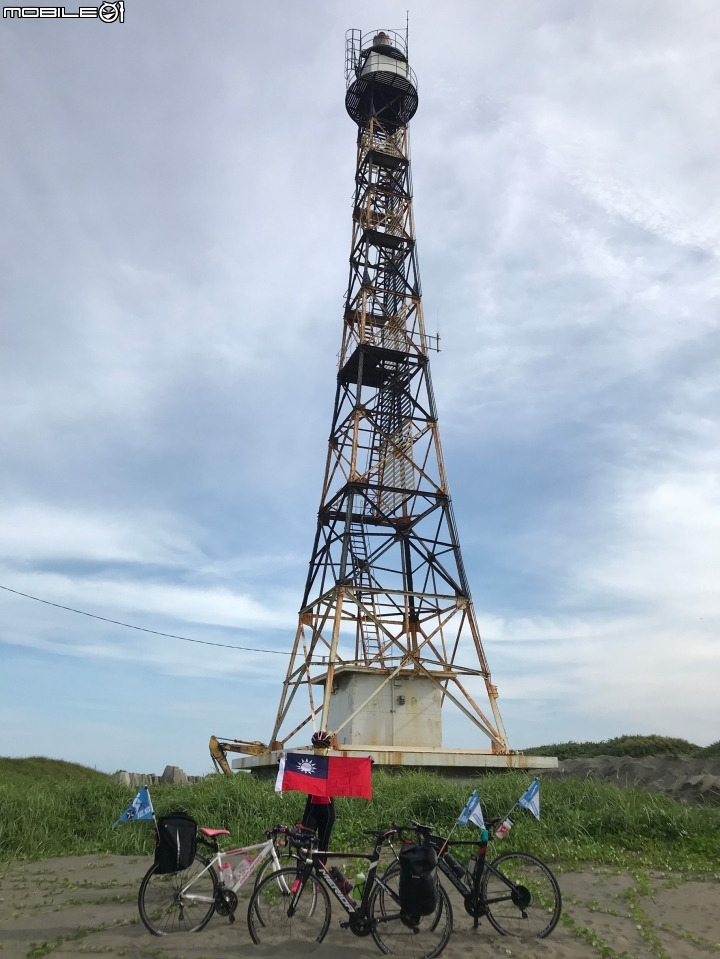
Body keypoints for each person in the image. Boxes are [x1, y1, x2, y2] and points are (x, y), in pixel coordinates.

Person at [301, 730, 335, 859]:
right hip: (312, 808)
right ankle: (301, 875)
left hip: (328, 809)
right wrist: (282, 761)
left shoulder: (334, 763)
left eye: (322, 745)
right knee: (305, 843)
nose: (320, 748)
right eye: (317, 746)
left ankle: (320, 876)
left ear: (328, 747)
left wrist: (367, 763)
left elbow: (349, 771)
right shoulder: (308, 763)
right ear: (313, 747)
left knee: (323, 844)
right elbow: (294, 769)